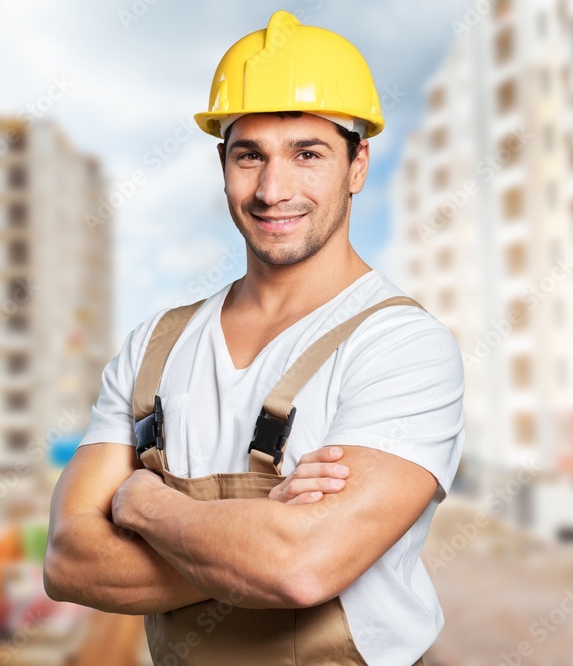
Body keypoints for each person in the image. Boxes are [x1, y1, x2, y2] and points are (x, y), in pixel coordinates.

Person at [44, 10, 465, 666]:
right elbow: (69, 562)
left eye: (307, 154)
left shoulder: (403, 348)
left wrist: (143, 503)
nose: (273, 190)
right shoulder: (154, 346)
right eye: (250, 156)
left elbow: (301, 568)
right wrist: (259, 537)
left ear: (359, 164)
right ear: (223, 165)